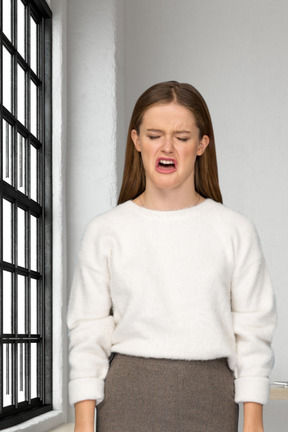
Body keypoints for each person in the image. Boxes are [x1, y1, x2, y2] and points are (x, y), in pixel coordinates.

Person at [67, 81, 277, 432]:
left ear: (201, 145)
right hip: (126, 398)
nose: (167, 148)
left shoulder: (235, 230)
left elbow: (254, 330)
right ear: (136, 140)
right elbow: (88, 332)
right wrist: (84, 425)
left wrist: (253, 421)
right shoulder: (106, 231)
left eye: (181, 137)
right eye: (154, 135)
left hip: (212, 399)